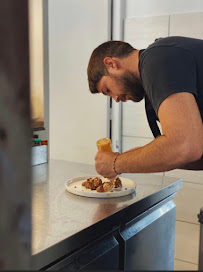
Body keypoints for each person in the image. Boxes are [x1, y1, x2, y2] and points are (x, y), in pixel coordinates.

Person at [87, 36, 203, 178]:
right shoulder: (159, 58)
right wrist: (141, 156)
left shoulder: (156, 60)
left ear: (111, 64)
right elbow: (195, 154)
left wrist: (115, 163)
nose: (115, 99)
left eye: (108, 90)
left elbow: (186, 147)